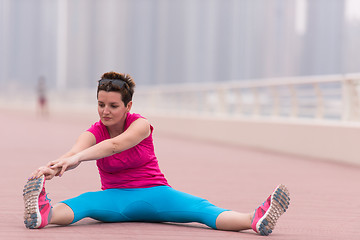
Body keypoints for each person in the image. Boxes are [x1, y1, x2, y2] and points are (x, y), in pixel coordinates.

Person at [23, 71, 290, 236]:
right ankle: (43, 214)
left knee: (203, 210)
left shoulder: (140, 125)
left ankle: (254, 220)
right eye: (101, 104)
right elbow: (75, 152)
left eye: (113, 106)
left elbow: (115, 146)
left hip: (158, 194)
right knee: (83, 204)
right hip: (115, 200)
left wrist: (77, 158)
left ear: (128, 106)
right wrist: (57, 165)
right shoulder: (94, 130)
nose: (105, 111)